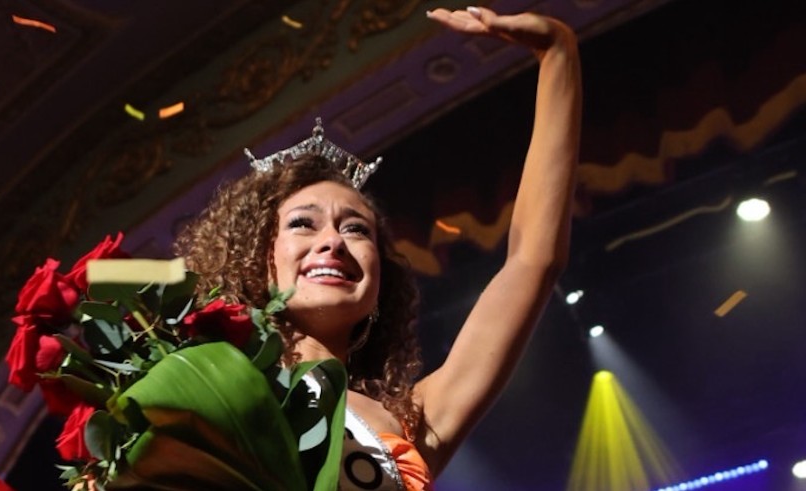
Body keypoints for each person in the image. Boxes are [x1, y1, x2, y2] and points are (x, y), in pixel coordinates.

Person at [172, 6, 581, 490]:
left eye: (357, 230)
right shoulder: (200, 392)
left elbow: (533, 260)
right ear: (260, 260)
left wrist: (558, 52)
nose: (333, 242)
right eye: (304, 224)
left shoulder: (412, 421)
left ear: (380, 280)